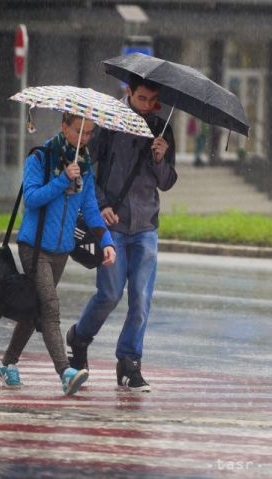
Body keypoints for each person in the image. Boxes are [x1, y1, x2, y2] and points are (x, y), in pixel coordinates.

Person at [66, 75, 177, 393]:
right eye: (142, 98)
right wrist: (100, 205)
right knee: (110, 295)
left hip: (146, 228)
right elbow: (86, 167)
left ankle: (129, 363)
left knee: (141, 299)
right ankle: (79, 338)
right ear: (129, 93)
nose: (147, 105)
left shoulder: (161, 128)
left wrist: (158, 157)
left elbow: (167, 181)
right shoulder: (108, 123)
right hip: (112, 226)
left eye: (152, 100)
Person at [0, 113, 116, 397]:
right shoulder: (40, 158)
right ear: (64, 127)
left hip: (61, 251)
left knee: (33, 309)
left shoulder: (84, 168)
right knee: (50, 308)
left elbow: (90, 210)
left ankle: (7, 363)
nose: (84, 139)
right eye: (79, 131)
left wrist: (107, 242)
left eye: (89, 134)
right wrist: (62, 179)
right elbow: (32, 199)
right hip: (34, 248)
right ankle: (65, 372)